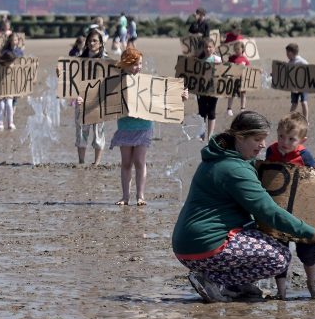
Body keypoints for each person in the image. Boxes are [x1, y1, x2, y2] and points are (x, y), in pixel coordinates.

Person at [172, 110, 315, 303]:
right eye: (257, 139)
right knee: (280, 257)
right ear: (239, 137)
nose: (263, 145)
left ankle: (236, 285)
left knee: (260, 236)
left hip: (187, 244)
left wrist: (312, 173)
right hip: (204, 245)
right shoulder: (235, 169)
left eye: (264, 139)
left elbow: (268, 170)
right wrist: (311, 232)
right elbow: (269, 211)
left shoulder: (222, 157)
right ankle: (215, 281)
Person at [111, 46, 186, 206]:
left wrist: (180, 97)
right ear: (125, 64)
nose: (138, 67)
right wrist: (83, 101)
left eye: (140, 64)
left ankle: (140, 196)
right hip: (125, 126)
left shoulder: (147, 82)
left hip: (144, 126)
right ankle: (125, 196)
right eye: (135, 64)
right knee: (125, 163)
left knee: (139, 161)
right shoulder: (116, 83)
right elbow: (100, 99)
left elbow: (162, 98)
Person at [265, 113, 315, 299]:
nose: (284, 142)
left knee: (308, 251)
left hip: (303, 213)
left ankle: (311, 283)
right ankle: (281, 291)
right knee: (279, 249)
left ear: (302, 140)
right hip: (280, 212)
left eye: (291, 139)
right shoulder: (272, 151)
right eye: (281, 137)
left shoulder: (303, 155)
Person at [70, 27, 107, 165]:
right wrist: (60, 73)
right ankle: (81, 161)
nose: (92, 43)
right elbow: (70, 80)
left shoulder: (107, 62)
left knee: (98, 133)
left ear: (101, 43)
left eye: (95, 41)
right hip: (81, 101)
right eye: (90, 41)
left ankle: (96, 163)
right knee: (81, 133)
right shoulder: (79, 61)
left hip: (99, 102)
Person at [194, 35, 223, 142]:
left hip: (213, 89)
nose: (208, 49)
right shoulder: (200, 60)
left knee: (211, 112)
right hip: (201, 90)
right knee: (201, 112)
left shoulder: (217, 59)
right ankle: (201, 134)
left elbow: (223, 73)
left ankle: (210, 135)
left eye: (210, 47)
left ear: (214, 48)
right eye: (206, 47)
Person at [0, 32, 23, 131]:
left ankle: (10, 123)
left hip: (12, 83)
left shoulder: (19, 52)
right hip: (0, 85)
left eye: (16, 40)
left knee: (10, 105)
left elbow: (22, 69)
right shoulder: (4, 52)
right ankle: (0, 123)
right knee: (1, 105)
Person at [223, 31, 249, 116]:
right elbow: (227, 66)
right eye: (236, 49)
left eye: (238, 49)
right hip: (233, 78)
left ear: (242, 49)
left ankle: (242, 108)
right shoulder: (231, 58)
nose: (237, 51)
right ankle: (229, 109)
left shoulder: (245, 59)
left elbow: (249, 69)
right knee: (231, 93)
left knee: (243, 93)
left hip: (242, 78)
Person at [282, 42, 311, 120]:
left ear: (291, 52)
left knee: (303, 102)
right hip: (294, 86)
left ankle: (306, 120)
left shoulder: (301, 61)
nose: (286, 54)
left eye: (287, 53)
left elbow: (311, 70)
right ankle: (289, 119)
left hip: (303, 85)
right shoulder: (290, 62)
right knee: (294, 103)